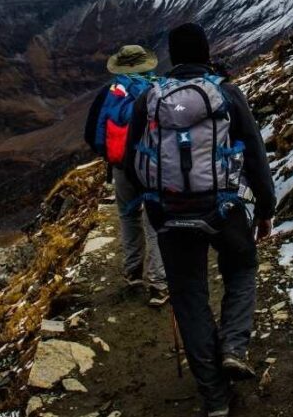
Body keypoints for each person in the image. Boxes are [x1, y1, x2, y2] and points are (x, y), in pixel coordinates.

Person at [124, 23, 275, 417]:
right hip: (223, 209)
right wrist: (265, 208)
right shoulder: (226, 94)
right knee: (242, 268)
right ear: (207, 53)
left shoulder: (150, 99)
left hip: (171, 215)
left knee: (190, 298)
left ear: (172, 58)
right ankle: (234, 348)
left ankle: (215, 400)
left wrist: (153, 206)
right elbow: (256, 155)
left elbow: (131, 162)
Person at [84, 44, 169, 307]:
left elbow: (91, 133)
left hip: (122, 167)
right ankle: (159, 284)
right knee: (155, 219)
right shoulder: (160, 89)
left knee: (128, 215)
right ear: (148, 65)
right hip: (153, 166)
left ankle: (133, 272)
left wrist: (112, 156)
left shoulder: (110, 93)